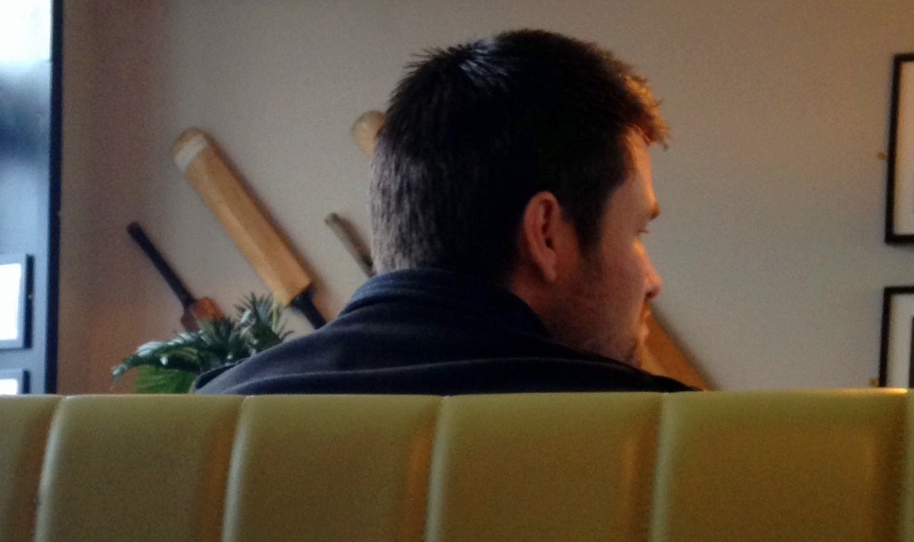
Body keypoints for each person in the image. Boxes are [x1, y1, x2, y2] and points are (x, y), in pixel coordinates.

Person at [195, 30, 689, 397]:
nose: (652, 282)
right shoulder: (672, 444)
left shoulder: (207, 414)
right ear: (546, 234)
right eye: (637, 232)